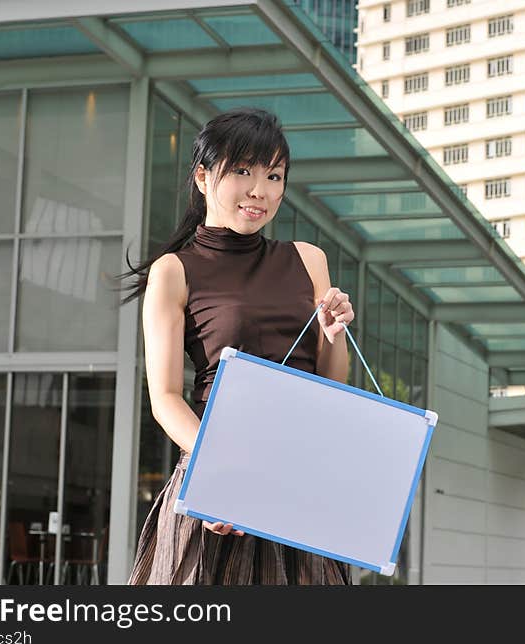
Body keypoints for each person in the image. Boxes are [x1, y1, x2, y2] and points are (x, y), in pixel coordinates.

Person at [119, 108, 354, 585]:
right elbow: (164, 398)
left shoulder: (309, 260)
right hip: (218, 477)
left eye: (274, 175)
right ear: (204, 177)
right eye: (243, 171)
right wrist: (222, 472)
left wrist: (335, 335)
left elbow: (330, 383)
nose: (260, 190)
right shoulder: (174, 270)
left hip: (297, 479)